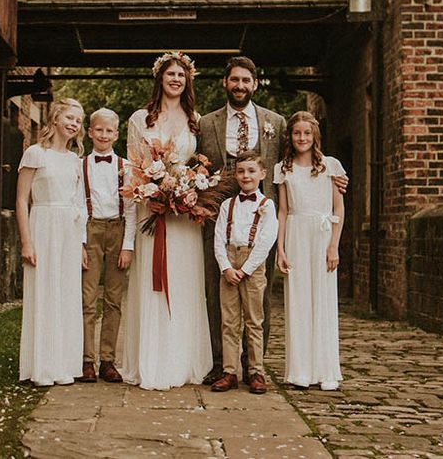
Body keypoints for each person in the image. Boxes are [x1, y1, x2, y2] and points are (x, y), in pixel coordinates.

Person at [122, 51, 212, 390]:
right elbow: (132, 168)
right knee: (151, 284)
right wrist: (152, 192)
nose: (176, 79)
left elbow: (198, 167)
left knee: (184, 282)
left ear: (187, 81)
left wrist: (188, 191)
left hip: (183, 216)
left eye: (181, 75)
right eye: (170, 73)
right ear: (159, 78)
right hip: (152, 211)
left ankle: (182, 359)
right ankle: (152, 360)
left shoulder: (195, 119)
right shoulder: (139, 118)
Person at [198, 56, 286, 385]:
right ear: (225, 83)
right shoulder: (207, 123)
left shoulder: (275, 122)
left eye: (245, 81)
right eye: (234, 80)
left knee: (259, 293)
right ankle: (224, 363)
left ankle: (255, 366)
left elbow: (290, 165)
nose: (240, 86)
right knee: (217, 289)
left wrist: (329, 174)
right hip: (219, 219)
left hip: (261, 218)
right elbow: (197, 167)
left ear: (254, 84)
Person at [16, 97, 85, 386]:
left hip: (69, 230)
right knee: (44, 292)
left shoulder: (74, 160)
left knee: (66, 295)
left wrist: (81, 243)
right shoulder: (35, 153)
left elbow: (79, 202)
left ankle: (62, 365)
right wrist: (26, 242)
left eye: (79, 121)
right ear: (55, 118)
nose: (74, 124)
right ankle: (41, 366)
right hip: (43, 226)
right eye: (70, 118)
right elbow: (21, 200)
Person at [275, 111, 345, 391]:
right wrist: (280, 249)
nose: (302, 138)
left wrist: (333, 246)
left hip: (322, 234)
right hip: (295, 234)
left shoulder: (330, 166)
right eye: (296, 133)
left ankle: (326, 369)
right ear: (290, 137)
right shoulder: (284, 168)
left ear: (314, 135)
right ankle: (300, 369)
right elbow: (282, 210)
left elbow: (338, 208)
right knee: (299, 300)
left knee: (323, 299)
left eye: (307, 133)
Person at [77, 107, 137, 384]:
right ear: (90, 132)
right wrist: (80, 243)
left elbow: (133, 209)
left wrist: (128, 246)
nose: (103, 135)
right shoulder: (80, 165)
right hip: (90, 229)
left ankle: (108, 360)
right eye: (98, 130)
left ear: (117, 134)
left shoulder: (127, 167)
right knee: (87, 298)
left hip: (118, 228)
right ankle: (87, 359)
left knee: (114, 299)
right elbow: (77, 206)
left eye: (109, 130)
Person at [211, 151, 278, 394]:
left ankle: (256, 371)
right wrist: (226, 267)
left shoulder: (267, 206)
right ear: (235, 175)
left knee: (254, 321)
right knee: (228, 321)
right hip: (228, 263)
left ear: (262, 174)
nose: (245, 176)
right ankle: (229, 372)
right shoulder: (227, 205)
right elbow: (218, 238)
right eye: (241, 171)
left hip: (253, 265)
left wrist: (246, 269)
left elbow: (266, 241)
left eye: (251, 171)